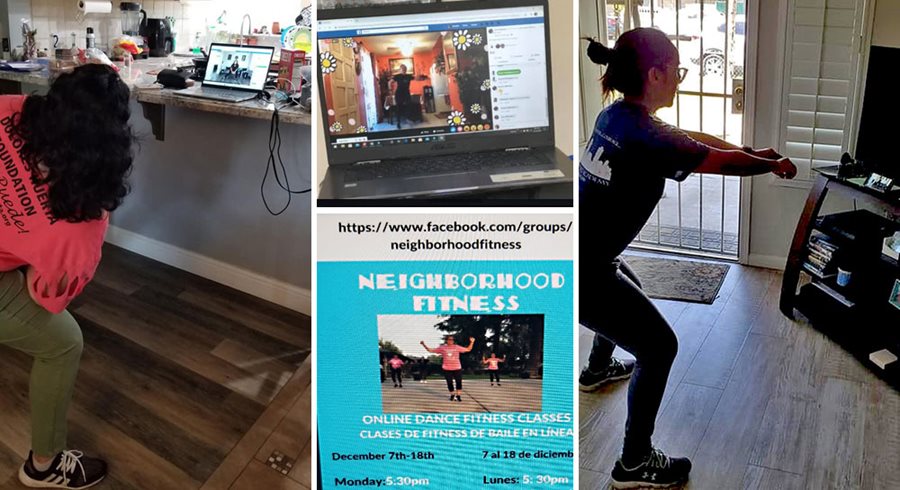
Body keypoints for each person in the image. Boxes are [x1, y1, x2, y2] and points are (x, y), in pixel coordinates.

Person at [579, 28, 797, 489]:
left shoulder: (616, 116)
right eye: (676, 71)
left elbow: (691, 140)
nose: (679, 79)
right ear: (655, 74)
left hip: (580, 254)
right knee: (659, 347)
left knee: (624, 282)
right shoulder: (645, 134)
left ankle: (596, 369)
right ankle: (633, 462)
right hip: (581, 272)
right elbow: (718, 163)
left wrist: (749, 150)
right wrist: (766, 163)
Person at [1, 63, 135, 489]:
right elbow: (45, 297)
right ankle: (44, 465)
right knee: (63, 342)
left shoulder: (9, 108)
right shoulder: (81, 226)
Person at [420, 336, 474, 402]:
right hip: (447, 368)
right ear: (446, 340)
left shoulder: (457, 347)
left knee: (459, 382)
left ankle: (458, 396)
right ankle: (452, 395)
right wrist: (424, 345)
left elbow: (468, 349)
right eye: (449, 340)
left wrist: (472, 342)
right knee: (449, 382)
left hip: (457, 367)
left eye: (452, 340)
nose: (451, 341)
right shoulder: (442, 348)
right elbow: (430, 350)